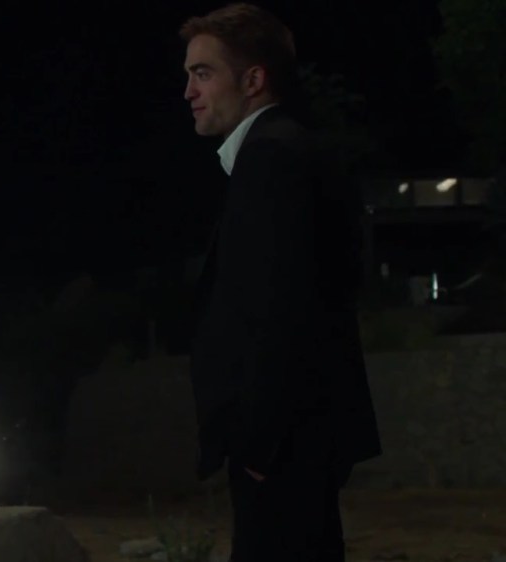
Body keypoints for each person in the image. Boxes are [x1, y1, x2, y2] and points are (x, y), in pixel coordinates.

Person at [181, 4, 382, 561]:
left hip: (281, 447)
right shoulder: (287, 150)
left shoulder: (272, 157)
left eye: (203, 73)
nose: (189, 91)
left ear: (253, 80)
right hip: (293, 442)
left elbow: (281, 308)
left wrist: (260, 444)